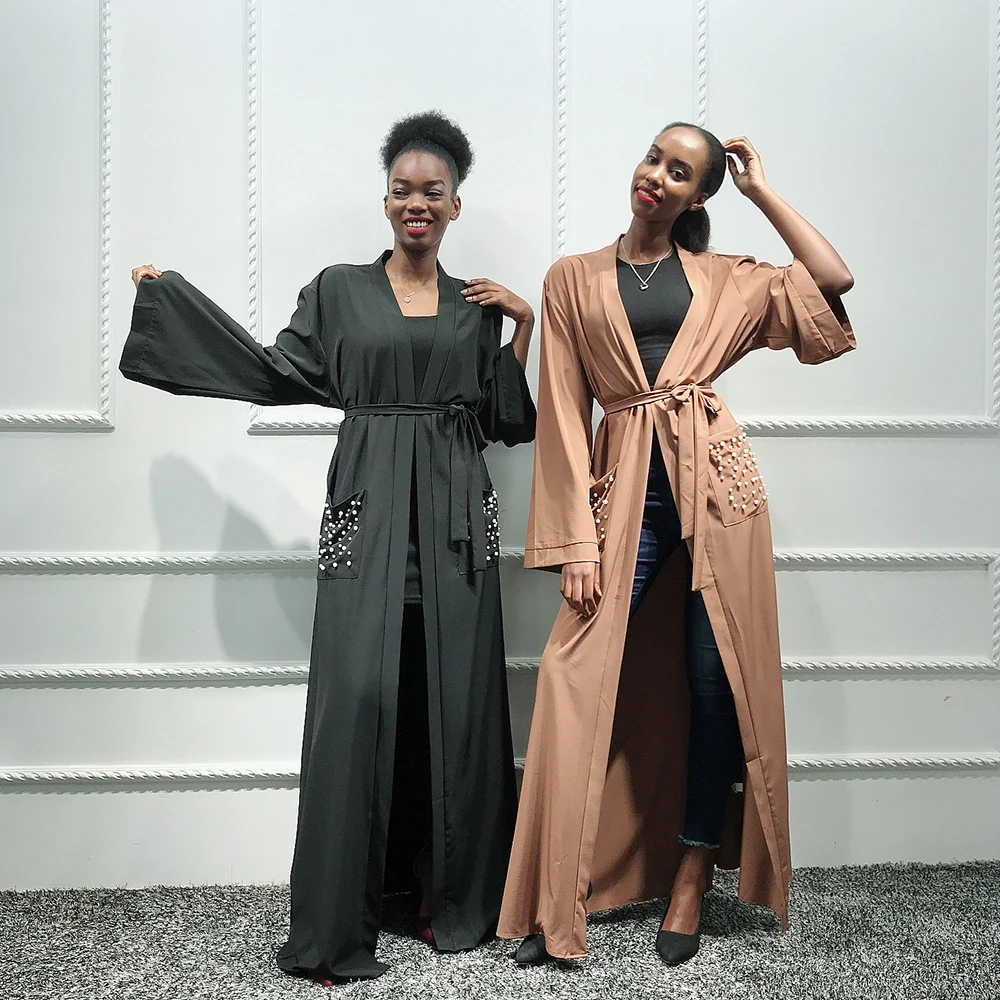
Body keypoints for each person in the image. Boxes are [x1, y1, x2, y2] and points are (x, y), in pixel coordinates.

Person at [121, 111, 536, 983]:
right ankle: (340, 918)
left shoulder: (477, 307)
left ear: (456, 205)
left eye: (433, 191)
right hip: (369, 509)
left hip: (457, 524)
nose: (416, 202)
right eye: (402, 189)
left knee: (453, 704)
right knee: (357, 700)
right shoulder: (339, 290)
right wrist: (171, 302)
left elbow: (506, 422)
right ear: (385, 201)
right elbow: (277, 372)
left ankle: (450, 896)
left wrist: (523, 329)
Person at [498, 122, 854, 967]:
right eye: (655, 157)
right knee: (570, 675)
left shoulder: (726, 278)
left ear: (698, 195)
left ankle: (693, 873)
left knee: (713, 682)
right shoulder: (572, 278)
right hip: (622, 497)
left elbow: (833, 280)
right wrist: (575, 543)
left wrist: (760, 190)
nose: (657, 175)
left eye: (681, 171)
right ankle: (558, 897)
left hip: (719, 492)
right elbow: (563, 414)